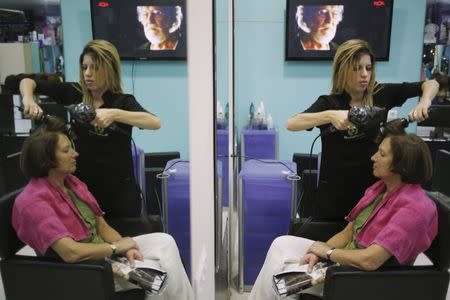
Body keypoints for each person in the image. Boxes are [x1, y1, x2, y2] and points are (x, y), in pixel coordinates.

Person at [12, 122, 193, 299]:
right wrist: (115, 248)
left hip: (103, 255)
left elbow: (102, 226)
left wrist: (125, 246)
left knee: (165, 241)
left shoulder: (72, 183)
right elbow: (71, 253)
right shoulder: (32, 203)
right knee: (160, 276)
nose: (75, 153)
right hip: (84, 271)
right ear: (47, 159)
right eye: (66, 150)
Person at [249, 133, 438, 299]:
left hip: (361, 278)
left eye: (381, 154)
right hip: (347, 258)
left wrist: (329, 253)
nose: (373, 157)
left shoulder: (415, 209)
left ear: (402, 166)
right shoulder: (380, 189)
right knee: (281, 244)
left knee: (280, 280)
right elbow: (347, 233)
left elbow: (371, 261)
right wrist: (319, 252)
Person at [286, 39, 439, 220]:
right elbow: (292, 123)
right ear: (342, 70)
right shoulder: (329, 103)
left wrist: (424, 101)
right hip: (335, 195)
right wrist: (330, 115)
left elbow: (432, 84)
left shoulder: (381, 94)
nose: (364, 74)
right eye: (357, 68)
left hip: (373, 192)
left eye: (368, 68)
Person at [5, 39, 161, 218]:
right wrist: (28, 99)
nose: (88, 74)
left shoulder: (123, 102)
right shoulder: (73, 93)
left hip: (120, 195)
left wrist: (114, 114)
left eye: (94, 68)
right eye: (85, 67)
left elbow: (154, 122)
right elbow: (27, 81)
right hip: (82, 191)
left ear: (109, 69)